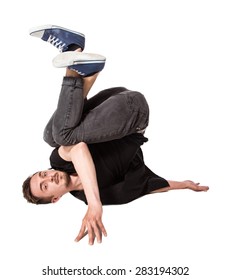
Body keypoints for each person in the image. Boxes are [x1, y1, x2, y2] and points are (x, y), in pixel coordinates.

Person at [22, 25, 209, 245]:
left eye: (42, 175)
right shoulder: (106, 194)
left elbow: (79, 149)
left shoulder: (59, 163)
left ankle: (75, 57)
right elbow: (149, 187)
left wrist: (95, 204)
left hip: (109, 100)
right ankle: (76, 58)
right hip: (133, 115)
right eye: (45, 186)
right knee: (60, 134)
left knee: (51, 137)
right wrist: (185, 185)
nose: (48, 177)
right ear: (54, 199)